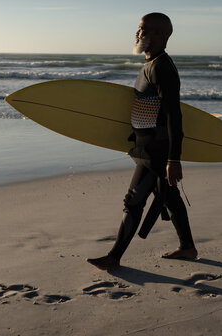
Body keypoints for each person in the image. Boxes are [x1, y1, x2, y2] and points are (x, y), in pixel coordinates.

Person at [87, 13, 197, 271]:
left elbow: (173, 116)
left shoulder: (161, 68)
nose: (137, 33)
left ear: (158, 34)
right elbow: (147, 110)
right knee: (168, 196)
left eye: (142, 29)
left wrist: (173, 159)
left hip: (156, 152)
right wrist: (134, 143)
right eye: (139, 28)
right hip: (146, 148)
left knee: (134, 201)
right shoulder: (151, 63)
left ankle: (114, 257)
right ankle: (188, 247)